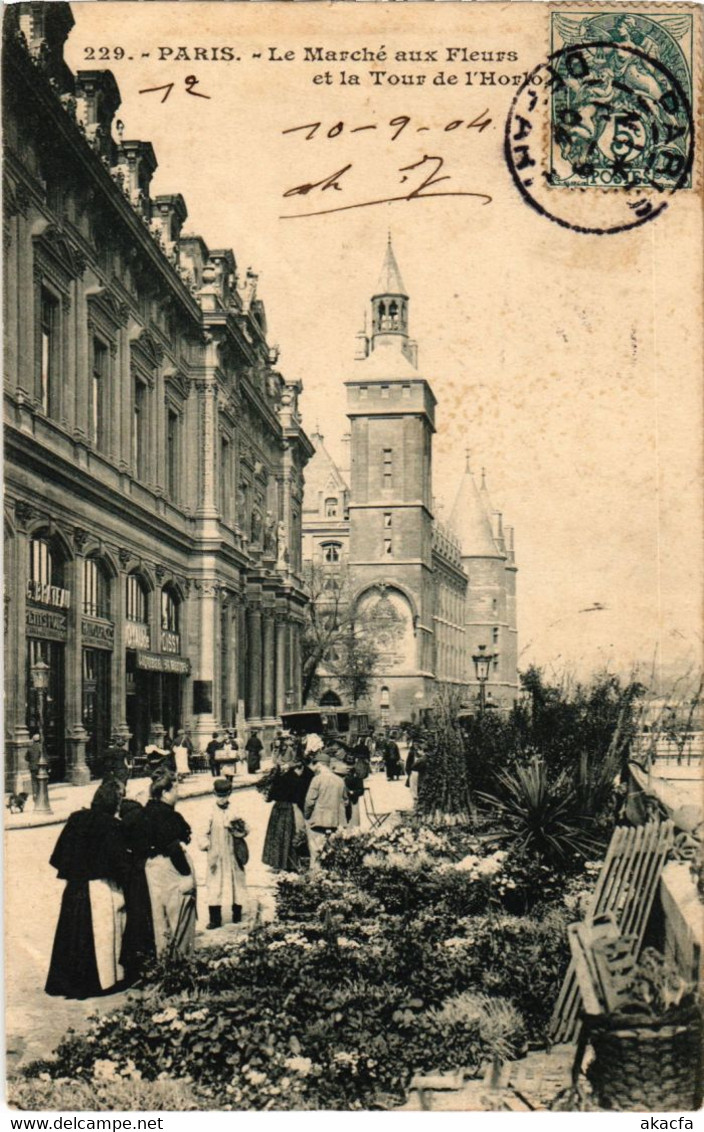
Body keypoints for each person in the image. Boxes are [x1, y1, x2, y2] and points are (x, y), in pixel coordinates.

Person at [45, 780, 129, 999]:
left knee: (72, 935)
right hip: (99, 888)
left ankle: (66, 983)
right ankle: (95, 984)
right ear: (115, 801)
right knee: (98, 937)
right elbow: (120, 864)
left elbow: (58, 857)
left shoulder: (76, 818)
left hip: (74, 888)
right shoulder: (111, 825)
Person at [142, 770, 196, 957]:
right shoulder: (168, 815)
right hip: (171, 868)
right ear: (165, 792)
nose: (178, 795)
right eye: (175, 790)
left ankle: (163, 961)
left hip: (152, 867)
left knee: (160, 918)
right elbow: (173, 847)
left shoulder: (146, 810)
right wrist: (187, 874)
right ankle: (182, 962)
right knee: (180, 916)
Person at [201, 778, 249, 928]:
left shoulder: (235, 809)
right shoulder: (209, 810)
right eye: (219, 796)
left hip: (233, 850)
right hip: (217, 852)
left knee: (237, 881)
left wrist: (239, 828)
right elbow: (202, 832)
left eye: (225, 796)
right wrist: (206, 844)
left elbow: (246, 828)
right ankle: (215, 918)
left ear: (229, 794)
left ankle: (237, 913)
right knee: (215, 883)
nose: (222, 799)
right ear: (214, 794)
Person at [262, 756, 314, 871]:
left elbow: (271, 794)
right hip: (291, 807)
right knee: (289, 835)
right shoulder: (308, 774)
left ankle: (281, 862)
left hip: (285, 807)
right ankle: (289, 862)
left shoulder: (286, 775)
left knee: (282, 835)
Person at [304, 751, 349, 870]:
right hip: (336, 821)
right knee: (334, 849)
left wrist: (307, 816)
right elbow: (346, 801)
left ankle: (316, 874)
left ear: (319, 765)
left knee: (316, 849)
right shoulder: (340, 780)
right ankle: (333, 872)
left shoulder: (317, 780)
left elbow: (309, 801)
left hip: (319, 820)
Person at [25, 733, 42, 802]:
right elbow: (45, 757)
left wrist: (31, 761)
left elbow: (26, 758)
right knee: (41, 781)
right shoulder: (41, 747)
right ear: (39, 740)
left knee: (34, 781)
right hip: (40, 767)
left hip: (32, 767)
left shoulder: (30, 748)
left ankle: (35, 795)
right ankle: (40, 795)